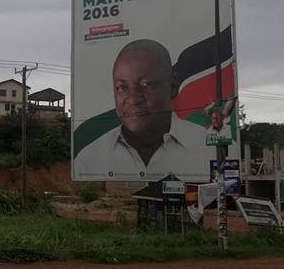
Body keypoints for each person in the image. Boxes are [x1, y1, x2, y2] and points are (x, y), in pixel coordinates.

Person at [74, 39, 211, 178]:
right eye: (122, 87)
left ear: (173, 86)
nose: (133, 100)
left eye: (146, 84)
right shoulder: (88, 159)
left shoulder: (209, 148)